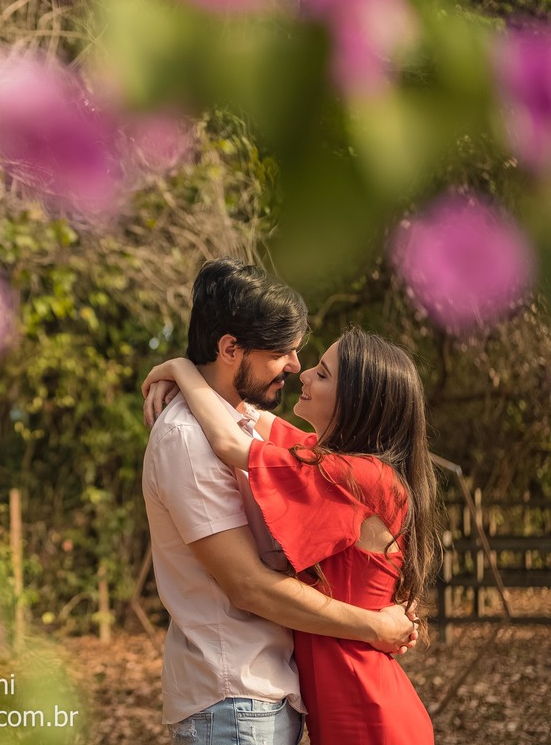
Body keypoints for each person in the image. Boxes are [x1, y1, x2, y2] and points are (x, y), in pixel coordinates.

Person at [137, 258, 418, 745]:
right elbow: (248, 586)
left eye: (316, 367)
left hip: (324, 702)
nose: (297, 368)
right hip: (239, 699)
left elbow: (237, 438)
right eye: (283, 353)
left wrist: (181, 369)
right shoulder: (190, 437)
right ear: (230, 348)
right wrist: (181, 370)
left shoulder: (343, 471)